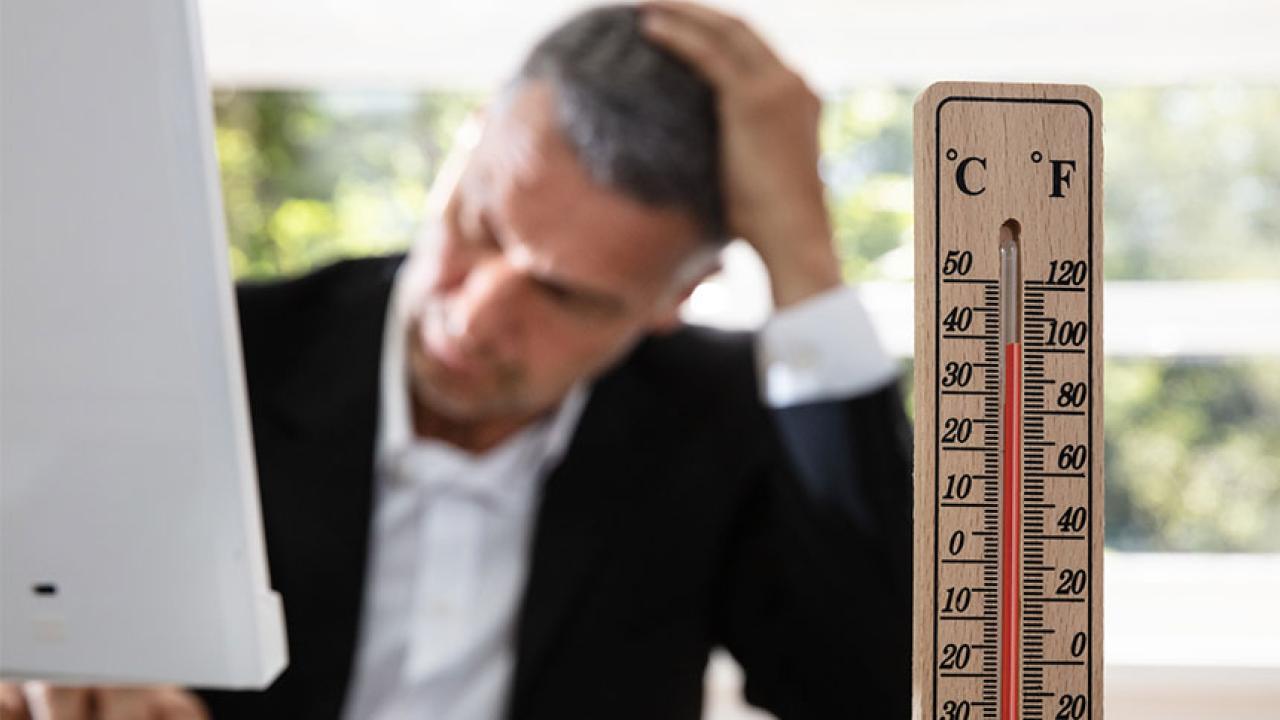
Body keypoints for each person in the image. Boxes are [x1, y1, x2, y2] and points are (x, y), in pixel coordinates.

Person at [0, 3, 911, 719]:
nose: (475, 316)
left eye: (568, 295)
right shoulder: (217, 358)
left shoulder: (720, 417)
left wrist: (805, 258)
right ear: (466, 142)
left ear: (680, 295)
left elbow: (862, 688)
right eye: (480, 225)